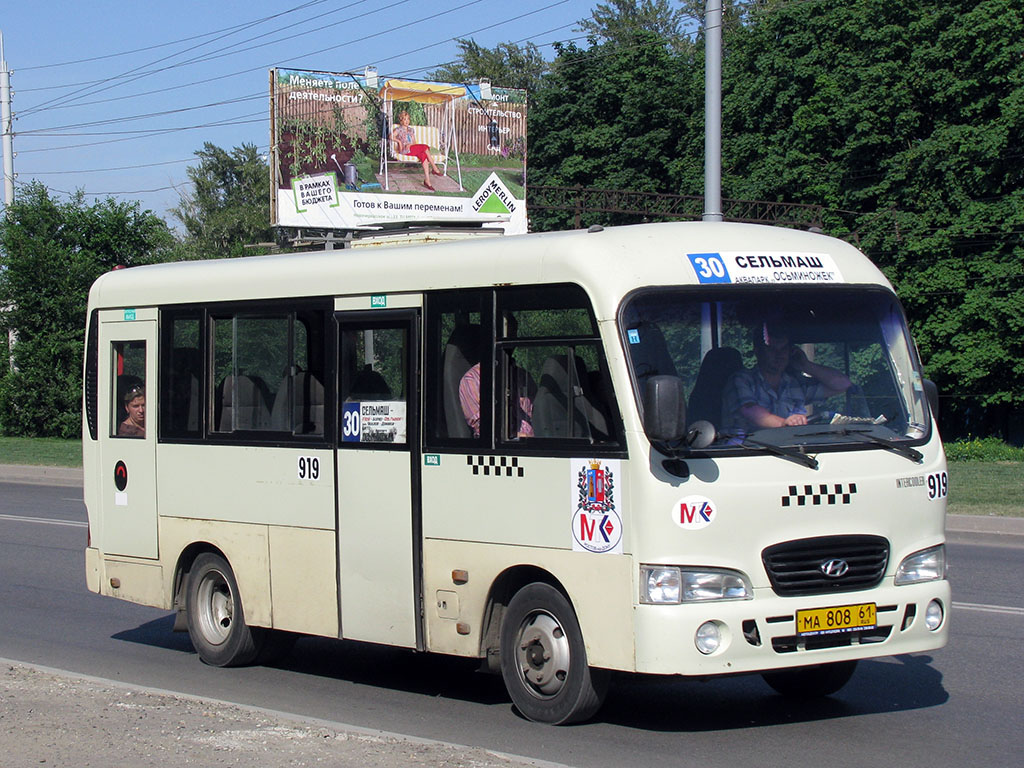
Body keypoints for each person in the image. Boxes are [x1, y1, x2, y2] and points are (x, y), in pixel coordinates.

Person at [722, 322, 851, 434]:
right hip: (741, 454)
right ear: (758, 351)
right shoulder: (742, 380)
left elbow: (843, 384)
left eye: (783, 349)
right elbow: (751, 412)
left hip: (791, 453)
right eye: (771, 349)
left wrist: (807, 366)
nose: (779, 355)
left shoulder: (795, 383)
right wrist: (785, 423)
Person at [459, 363, 534, 438]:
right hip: (508, 446)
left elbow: (537, 410)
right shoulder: (472, 379)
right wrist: (522, 438)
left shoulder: (521, 375)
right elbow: (486, 428)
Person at [391, 110, 443, 191]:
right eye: (404, 119)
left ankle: (427, 181)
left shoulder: (411, 130)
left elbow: (414, 142)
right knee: (425, 147)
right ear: (401, 120)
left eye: (408, 119)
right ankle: (435, 168)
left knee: (423, 155)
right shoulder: (398, 129)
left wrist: (411, 145)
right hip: (405, 150)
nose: (407, 121)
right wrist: (399, 142)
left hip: (412, 148)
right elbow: (391, 136)